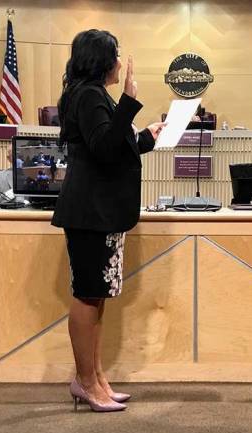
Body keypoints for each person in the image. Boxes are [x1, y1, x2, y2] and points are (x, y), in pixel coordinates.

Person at [51, 29, 165, 413]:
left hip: (99, 211)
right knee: (87, 295)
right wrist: (129, 102)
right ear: (101, 61)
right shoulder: (88, 95)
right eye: (115, 56)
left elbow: (112, 146)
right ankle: (85, 381)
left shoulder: (92, 95)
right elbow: (103, 147)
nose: (120, 63)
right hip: (89, 213)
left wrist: (145, 137)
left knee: (96, 296)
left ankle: (96, 376)